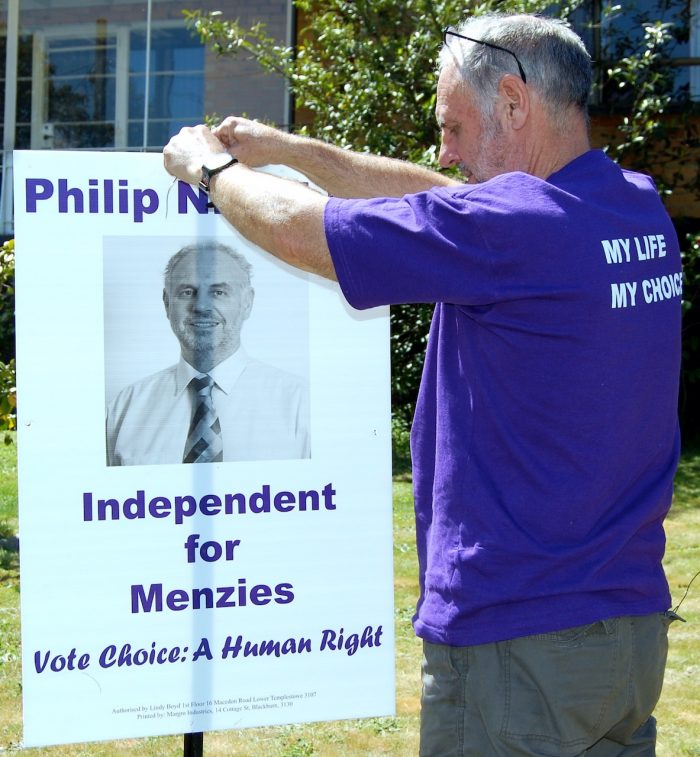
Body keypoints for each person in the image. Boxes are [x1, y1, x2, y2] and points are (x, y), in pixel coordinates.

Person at [163, 13, 683, 755]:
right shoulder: (629, 206)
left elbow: (305, 232)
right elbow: (444, 196)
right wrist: (291, 150)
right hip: (624, 639)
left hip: (519, 639)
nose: (445, 148)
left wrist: (211, 171)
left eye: (454, 124)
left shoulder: (513, 231)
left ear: (512, 102)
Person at [106, 241, 310, 466]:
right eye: (187, 292)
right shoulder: (125, 409)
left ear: (247, 303)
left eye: (219, 292)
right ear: (167, 304)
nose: (201, 306)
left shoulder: (300, 404)